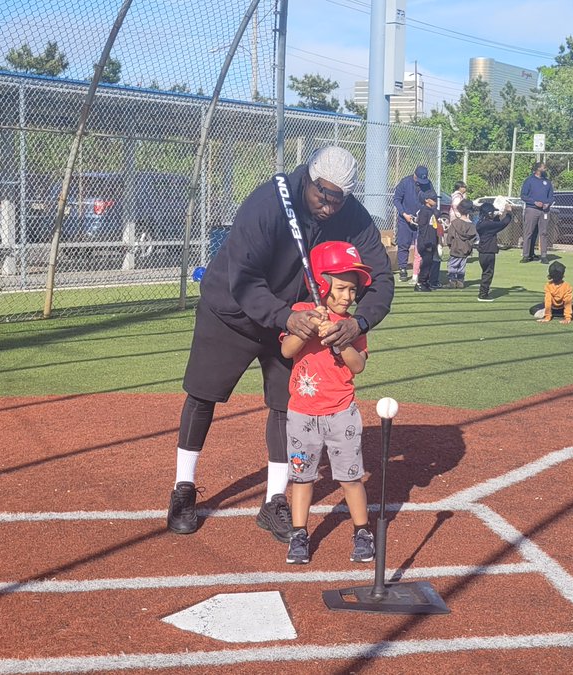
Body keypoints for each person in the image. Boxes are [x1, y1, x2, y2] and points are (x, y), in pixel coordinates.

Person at [166, 145, 394, 544]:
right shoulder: (268, 202)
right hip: (233, 312)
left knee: (288, 406)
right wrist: (284, 317)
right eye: (323, 194)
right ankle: (183, 489)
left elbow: (382, 278)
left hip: (296, 321)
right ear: (307, 178)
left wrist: (358, 322)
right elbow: (245, 277)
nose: (329, 205)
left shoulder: (350, 214)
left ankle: (274, 501)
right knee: (203, 395)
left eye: (339, 198)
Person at [280, 241, 375, 565]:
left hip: (341, 413)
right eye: (342, 288)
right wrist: (308, 328)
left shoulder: (351, 325)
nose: (349, 296)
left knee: (350, 477)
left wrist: (339, 340)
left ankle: (362, 531)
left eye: (353, 290)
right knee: (302, 477)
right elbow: (287, 351)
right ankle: (299, 533)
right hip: (302, 414)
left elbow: (358, 365)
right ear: (321, 285)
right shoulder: (300, 314)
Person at [392, 165, 431, 283]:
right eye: (419, 179)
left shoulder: (428, 184)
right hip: (405, 220)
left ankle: (419, 271)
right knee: (404, 244)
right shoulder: (405, 182)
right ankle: (403, 269)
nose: (420, 183)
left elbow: (431, 199)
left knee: (421, 247)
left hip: (421, 220)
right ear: (414, 175)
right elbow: (396, 199)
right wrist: (404, 213)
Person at [475, 198, 513, 301]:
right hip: (489, 252)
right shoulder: (488, 225)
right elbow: (502, 224)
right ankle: (483, 294)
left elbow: (494, 224)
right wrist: (509, 212)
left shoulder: (480, 223)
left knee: (485, 273)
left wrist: (497, 216)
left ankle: (483, 292)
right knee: (488, 273)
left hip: (482, 252)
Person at [520, 162, 554, 263]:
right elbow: (523, 196)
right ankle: (526, 255)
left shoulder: (547, 182)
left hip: (544, 211)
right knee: (529, 232)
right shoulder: (529, 181)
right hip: (532, 209)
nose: (545, 169)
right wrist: (534, 202)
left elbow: (551, 197)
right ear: (538, 169)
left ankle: (543, 256)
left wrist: (548, 203)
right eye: (543, 167)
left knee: (543, 233)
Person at [413, 190, 441, 292]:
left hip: (431, 240)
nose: (435, 201)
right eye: (433, 199)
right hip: (426, 242)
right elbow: (422, 227)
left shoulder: (431, 211)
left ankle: (425, 282)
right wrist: (426, 242)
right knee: (426, 263)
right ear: (426, 200)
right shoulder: (424, 211)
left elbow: (437, 215)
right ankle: (420, 283)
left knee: (429, 263)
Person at [445, 199, 476, 288]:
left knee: (452, 266)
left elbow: (449, 237)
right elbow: (474, 239)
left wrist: (450, 245)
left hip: (455, 248)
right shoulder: (472, 225)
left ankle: (452, 281)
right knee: (461, 266)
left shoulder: (454, 223)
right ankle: (460, 281)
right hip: (466, 250)